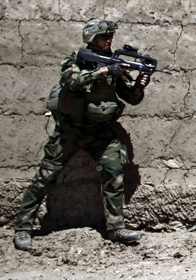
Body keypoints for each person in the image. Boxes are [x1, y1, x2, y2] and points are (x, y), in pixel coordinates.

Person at [13, 19, 150, 250]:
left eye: (110, 37)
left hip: (101, 133)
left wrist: (140, 84)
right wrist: (104, 70)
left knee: (114, 173)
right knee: (46, 176)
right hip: (70, 131)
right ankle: (23, 227)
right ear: (93, 39)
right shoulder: (76, 60)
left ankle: (116, 228)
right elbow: (72, 81)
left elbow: (131, 99)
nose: (109, 41)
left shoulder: (113, 65)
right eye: (105, 37)